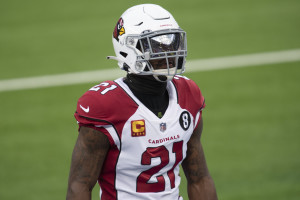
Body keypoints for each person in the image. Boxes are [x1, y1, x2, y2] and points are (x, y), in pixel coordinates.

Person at [66, 4, 218, 200]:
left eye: (172, 43)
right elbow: (79, 185)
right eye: (155, 46)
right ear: (128, 49)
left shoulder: (188, 94)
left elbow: (200, 178)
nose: (168, 53)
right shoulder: (106, 106)